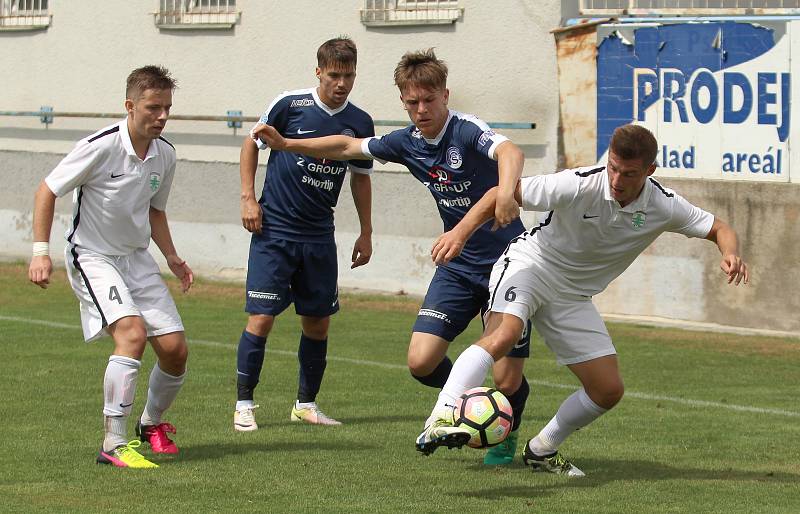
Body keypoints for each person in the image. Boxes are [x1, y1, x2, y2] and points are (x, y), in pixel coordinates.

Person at [251, 49, 533, 465]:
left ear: (445, 95)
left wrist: (506, 192)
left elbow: (510, 153)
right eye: (412, 102)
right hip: (457, 265)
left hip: (508, 264)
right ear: (403, 101)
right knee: (420, 362)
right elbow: (347, 146)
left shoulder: (467, 130)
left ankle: (504, 428)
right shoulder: (406, 142)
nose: (421, 110)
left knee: (508, 380)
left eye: (429, 100)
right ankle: (465, 399)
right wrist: (288, 142)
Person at [417, 123, 750, 475]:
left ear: (650, 171)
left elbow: (719, 228)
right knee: (504, 337)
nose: (617, 179)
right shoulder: (579, 182)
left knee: (607, 389)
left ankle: (543, 449)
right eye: (614, 168)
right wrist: (459, 233)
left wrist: (731, 253)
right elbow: (498, 194)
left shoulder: (663, 205)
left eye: (629, 173)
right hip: (531, 265)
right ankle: (441, 415)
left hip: (573, 295)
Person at [27, 66, 192, 469]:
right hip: (93, 256)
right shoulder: (100, 146)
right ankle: (113, 443)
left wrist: (171, 257)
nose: (162, 116)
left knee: (175, 351)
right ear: (130, 106)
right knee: (132, 334)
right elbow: (48, 189)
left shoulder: (165, 154)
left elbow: (156, 211)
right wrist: (39, 251)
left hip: (136, 259)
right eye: (154, 107)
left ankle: (149, 425)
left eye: (168, 108)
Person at [233, 37, 374, 431]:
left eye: (348, 76)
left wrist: (365, 231)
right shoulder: (290, 104)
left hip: (318, 236)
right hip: (274, 229)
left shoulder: (360, 122)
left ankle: (306, 404)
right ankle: (244, 405)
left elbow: (360, 179)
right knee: (261, 318)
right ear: (318, 72)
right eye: (334, 75)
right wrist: (248, 198)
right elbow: (251, 143)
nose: (341, 83)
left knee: (318, 324)